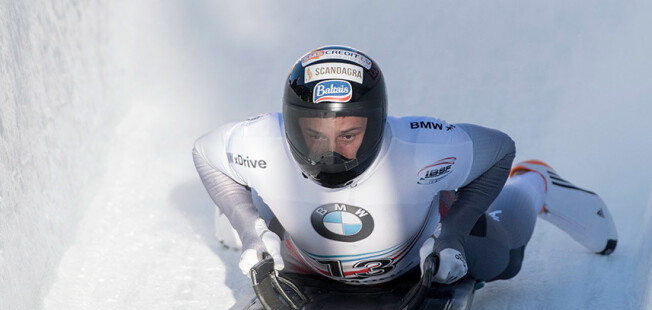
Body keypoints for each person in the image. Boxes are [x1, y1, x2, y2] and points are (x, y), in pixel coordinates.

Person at [193, 45, 617, 290]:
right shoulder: (262, 140)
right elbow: (206, 154)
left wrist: (453, 232)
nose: (331, 153)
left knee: (503, 260)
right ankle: (248, 206)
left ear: (377, 122)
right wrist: (248, 227)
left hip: (419, 251)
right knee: (243, 221)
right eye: (315, 135)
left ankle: (535, 183)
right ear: (291, 123)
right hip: (303, 248)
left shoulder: (423, 146)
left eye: (348, 134)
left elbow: (499, 151)